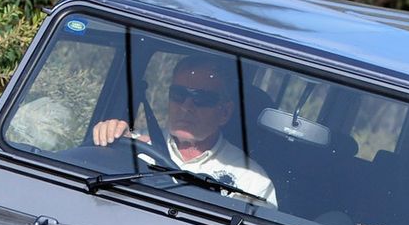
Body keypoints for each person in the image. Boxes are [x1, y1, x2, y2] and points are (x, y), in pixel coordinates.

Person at [91, 54, 276, 206]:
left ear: (225, 112)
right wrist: (107, 140)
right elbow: (94, 201)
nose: (186, 107)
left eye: (201, 99)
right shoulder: (132, 147)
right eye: (179, 95)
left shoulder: (251, 182)